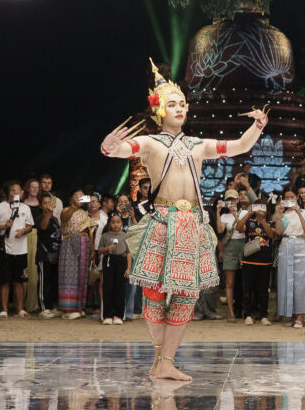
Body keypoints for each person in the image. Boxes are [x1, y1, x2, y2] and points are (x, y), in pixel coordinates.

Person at [100, 58, 267, 381]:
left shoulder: (197, 145)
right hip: (162, 221)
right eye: (172, 104)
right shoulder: (150, 143)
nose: (179, 108)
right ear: (159, 109)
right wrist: (108, 146)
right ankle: (161, 359)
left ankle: (165, 360)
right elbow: (118, 151)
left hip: (191, 223)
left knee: (187, 294)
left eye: (182, 103)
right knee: (155, 292)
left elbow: (240, 146)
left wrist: (258, 124)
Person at [0, 181, 34, 319]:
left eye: (21, 190)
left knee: (19, 281)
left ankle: (20, 309)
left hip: (21, 249)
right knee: (5, 281)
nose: (22, 192)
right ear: (10, 192)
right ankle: (4, 310)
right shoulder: (0, 207)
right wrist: (4, 226)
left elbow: (30, 226)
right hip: (5, 248)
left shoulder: (25, 207)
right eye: (18, 190)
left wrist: (23, 230)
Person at [274, 188, 305, 328]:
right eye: (287, 197)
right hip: (286, 245)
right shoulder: (282, 214)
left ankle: (300, 317)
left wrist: (298, 211)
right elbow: (278, 232)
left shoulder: (304, 212)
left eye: (292, 196)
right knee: (287, 280)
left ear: (297, 197)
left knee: (301, 282)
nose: (290, 199)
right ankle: (291, 315)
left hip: (300, 245)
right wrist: (279, 215)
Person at [59, 190, 98, 319]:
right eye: (78, 196)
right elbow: (64, 219)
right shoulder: (66, 210)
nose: (80, 198)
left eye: (82, 197)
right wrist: (74, 207)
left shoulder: (85, 214)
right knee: (69, 274)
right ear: (72, 199)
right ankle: (69, 308)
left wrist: (92, 251)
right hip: (70, 243)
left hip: (84, 244)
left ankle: (80, 307)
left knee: (82, 275)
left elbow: (90, 233)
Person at [238, 201, 276, 326]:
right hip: (249, 260)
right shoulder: (249, 222)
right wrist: (248, 214)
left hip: (265, 262)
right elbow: (238, 228)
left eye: (263, 207)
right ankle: (248, 314)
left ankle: (263, 315)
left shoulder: (271, 223)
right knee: (247, 289)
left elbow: (271, 235)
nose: (260, 209)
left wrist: (263, 220)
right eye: (257, 207)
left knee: (263, 290)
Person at [217, 189, 245, 322]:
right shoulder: (224, 216)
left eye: (233, 199)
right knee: (229, 282)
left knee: (245, 280)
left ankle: (246, 310)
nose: (231, 202)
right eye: (228, 200)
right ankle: (231, 312)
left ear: (238, 200)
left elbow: (241, 228)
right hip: (230, 247)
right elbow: (220, 230)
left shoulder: (244, 212)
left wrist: (235, 215)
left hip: (244, 245)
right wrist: (217, 212)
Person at [97, 213, 130, 325]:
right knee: (108, 287)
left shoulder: (125, 236)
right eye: (113, 222)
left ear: (121, 223)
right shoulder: (105, 236)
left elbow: (128, 253)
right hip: (109, 261)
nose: (116, 224)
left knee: (120, 289)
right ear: (109, 224)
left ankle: (118, 315)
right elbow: (99, 250)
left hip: (121, 261)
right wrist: (107, 248)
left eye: (118, 222)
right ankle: (107, 315)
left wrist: (128, 268)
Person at [36, 191, 62, 319]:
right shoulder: (41, 217)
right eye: (45, 203)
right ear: (41, 206)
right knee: (43, 282)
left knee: (53, 283)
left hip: (56, 255)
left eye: (49, 203)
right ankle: (43, 308)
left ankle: (51, 306)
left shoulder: (55, 219)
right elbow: (44, 227)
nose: (47, 205)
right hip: (44, 255)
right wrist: (48, 213)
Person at [22, 178, 42, 314]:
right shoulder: (22, 204)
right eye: (32, 187)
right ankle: (20, 304)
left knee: (35, 271)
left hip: (37, 237)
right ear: (28, 188)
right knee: (24, 270)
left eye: (37, 187)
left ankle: (33, 304)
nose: (35, 189)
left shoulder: (41, 205)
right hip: (23, 237)